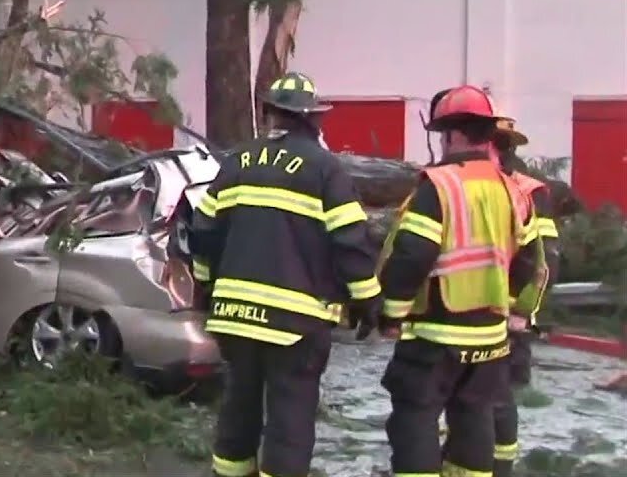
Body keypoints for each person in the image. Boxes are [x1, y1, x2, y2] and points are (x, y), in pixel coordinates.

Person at [184, 71, 379, 477]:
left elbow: (202, 229)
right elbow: (351, 242)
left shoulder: (236, 161)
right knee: (289, 426)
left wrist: (205, 286)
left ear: (271, 113)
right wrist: (367, 301)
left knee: (238, 414)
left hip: (235, 319)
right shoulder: (326, 169)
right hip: (296, 325)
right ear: (314, 119)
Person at [377, 85, 542, 477]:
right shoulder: (513, 189)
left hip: (436, 330)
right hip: (488, 337)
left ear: (453, 134)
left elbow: (412, 254)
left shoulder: (440, 185)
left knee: (414, 419)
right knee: (474, 420)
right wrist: (514, 310)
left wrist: (391, 314)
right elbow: (529, 262)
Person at [490, 116, 560, 477]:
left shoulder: (529, 190)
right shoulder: (476, 185)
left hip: (505, 316)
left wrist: (523, 311)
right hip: (479, 312)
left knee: (500, 400)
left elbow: (545, 259)